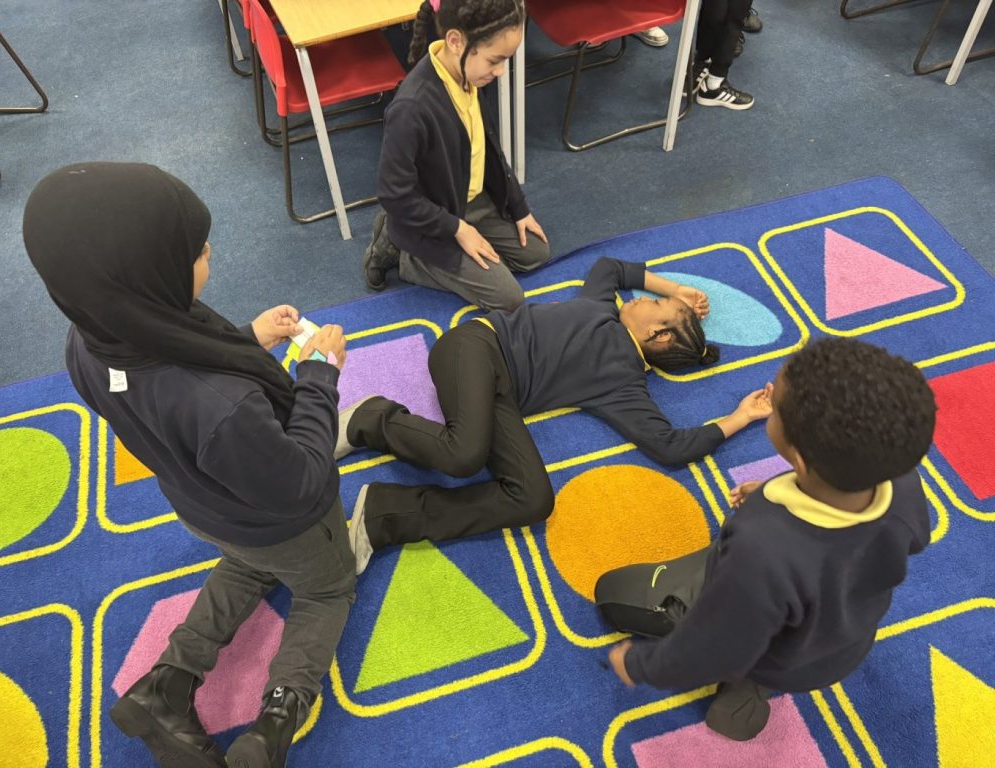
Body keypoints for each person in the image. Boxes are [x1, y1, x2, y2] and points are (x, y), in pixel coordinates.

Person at [24, 162, 356, 768]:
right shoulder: (221, 407)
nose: (208, 252)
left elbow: (176, 376)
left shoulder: (89, 341)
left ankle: (167, 681)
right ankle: (275, 719)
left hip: (204, 508)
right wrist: (318, 377)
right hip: (285, 520)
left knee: (249, 563)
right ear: (146, 280)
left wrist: (246, 339)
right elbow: (301, 482)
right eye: (195, 251)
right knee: (328, 588)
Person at [336, 256, 773, 574]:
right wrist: (674, 290)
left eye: (654, 304)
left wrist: (742, 416)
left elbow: (670, 446)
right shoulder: (602, 306)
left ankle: (384, 515)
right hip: (476, 346)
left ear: (657, 334)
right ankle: (370, 420)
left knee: (533, 499)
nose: (642, 299)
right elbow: (609, 268)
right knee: (464, 454)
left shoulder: (624, 386)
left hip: (501, 394)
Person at [601, 338, 936, 741]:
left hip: (769, 649)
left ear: (800, 460)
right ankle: (750, 682)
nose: (771, 394)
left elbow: (711, 643)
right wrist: (771, 490)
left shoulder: (762, 546)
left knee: (611, 593)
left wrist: (640, 665)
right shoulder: (900, 480)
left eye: (777, 406)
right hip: (843, 644)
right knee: (765, 628)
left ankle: (745, 683)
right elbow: (904, 536)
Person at [364, 0, 551, 312]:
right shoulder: (411, 108)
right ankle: (403, 251)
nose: (500, 71)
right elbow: (393, 194)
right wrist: (458, 229)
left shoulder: (470, 73)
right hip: (436, 219)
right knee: (509, 299)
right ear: (455, 42)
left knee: (536, 252)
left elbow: (488, 146)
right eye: (494, 60)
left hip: (468, 198)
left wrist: (518, 207)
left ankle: (439, 242)